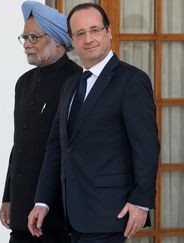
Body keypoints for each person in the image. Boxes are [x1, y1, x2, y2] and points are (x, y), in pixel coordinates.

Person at [27, 3, 159, 243]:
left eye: (94, 30)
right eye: (80, 33)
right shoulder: (71, 84)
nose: (88, 39)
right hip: (72, 216)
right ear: (72, 39)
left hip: (110, 213)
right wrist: (42, 201)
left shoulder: (131, 80)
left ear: (108, 32)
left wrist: (141, 200)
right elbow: (57, 147)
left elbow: (146, 146)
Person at [0, 2, 80, 243]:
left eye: (34, 36)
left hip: (58, 217)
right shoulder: (23, 83)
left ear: (57, 40)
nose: (26, 44)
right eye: (24, 37)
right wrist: (8, 196)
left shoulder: (77, 81)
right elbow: (19, 145)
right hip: (22, 210)